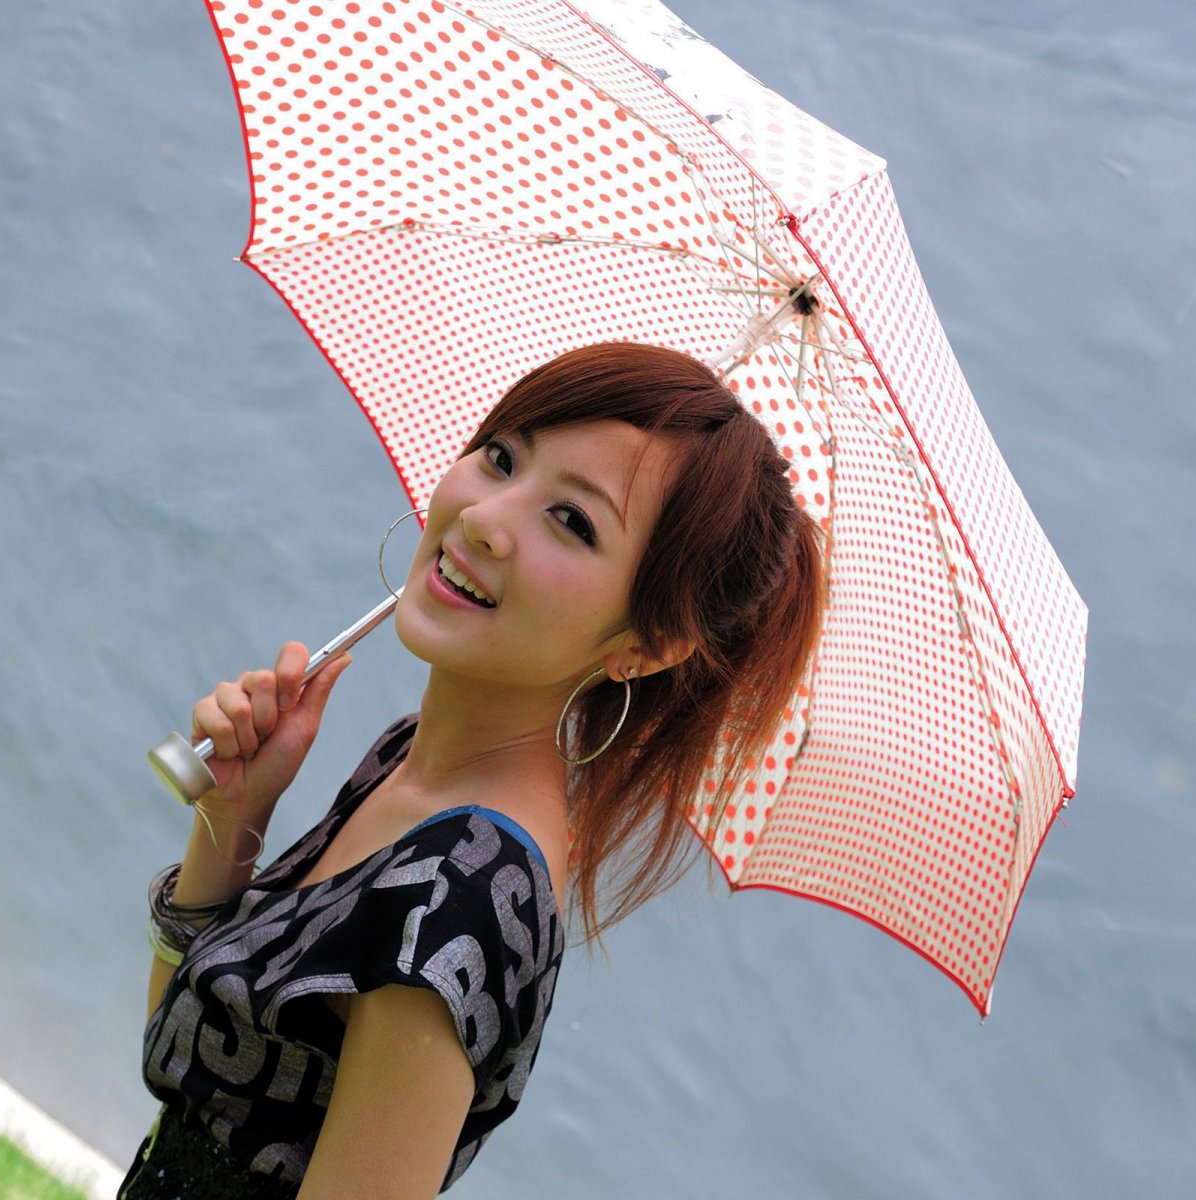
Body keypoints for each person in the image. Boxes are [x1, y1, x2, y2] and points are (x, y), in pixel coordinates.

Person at [122, 341, 828, 1199]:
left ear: (643, 649)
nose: (486, 518)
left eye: (573, 521)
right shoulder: (405, 760)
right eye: (502, 457)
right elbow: (184, 1068)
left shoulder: (467, 890)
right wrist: (234, 818)